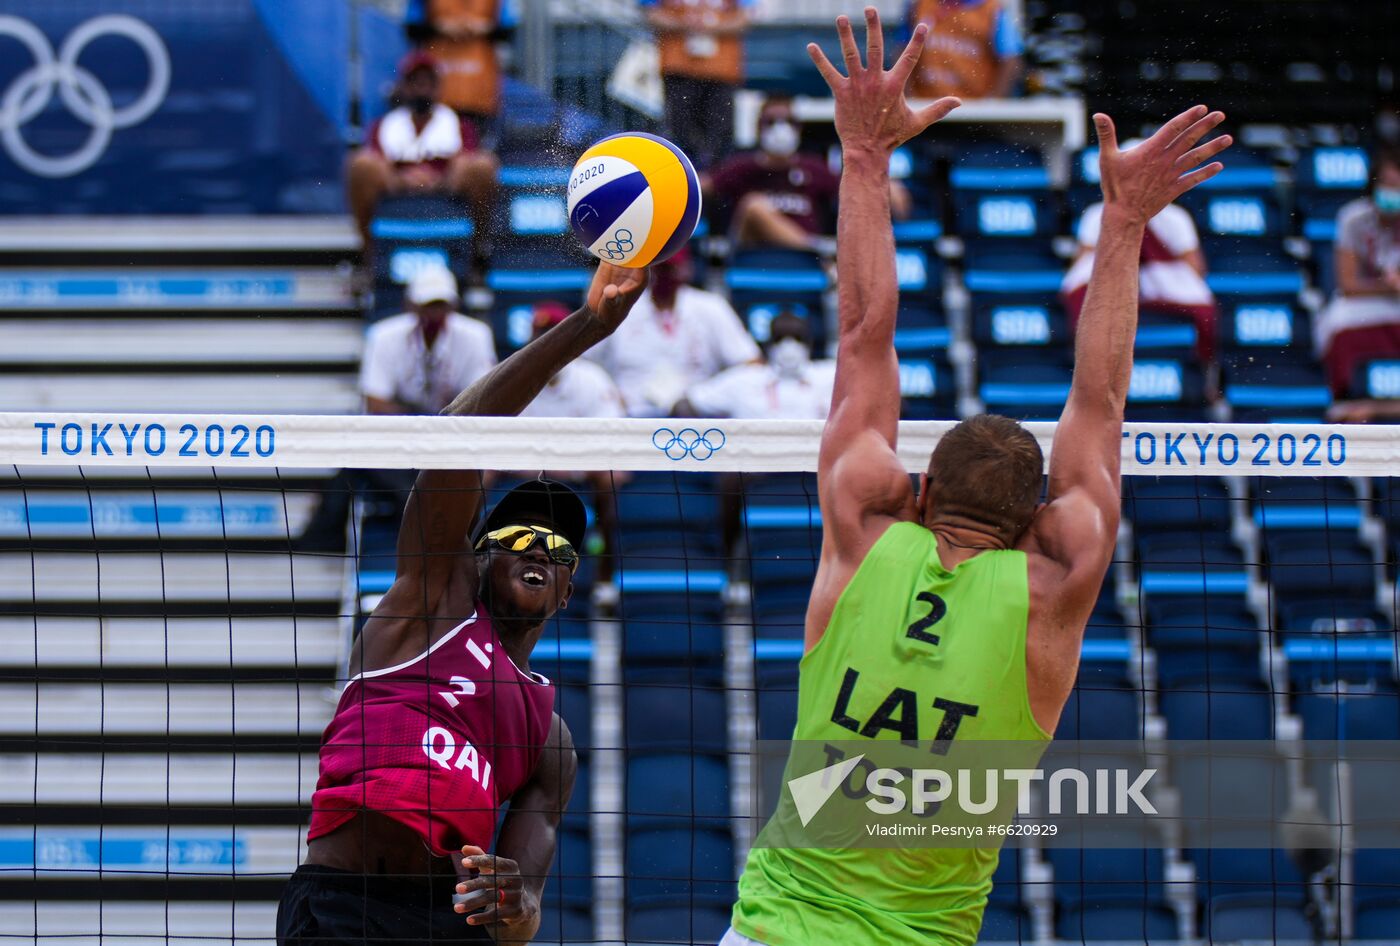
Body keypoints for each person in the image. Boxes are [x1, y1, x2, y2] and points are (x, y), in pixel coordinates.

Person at [725, 10, 1229, 946]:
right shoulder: (1050, 588)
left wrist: (865, 157)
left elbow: (863, 332)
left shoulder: (867, 534)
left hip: (774, 930)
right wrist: (1123, 226)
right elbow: (1101, 404)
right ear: (1036, 518)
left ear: (917, 494)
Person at [276, 263, 650, 945]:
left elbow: (523, 918)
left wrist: (513, 903)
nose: (541, 547)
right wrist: (587, 327)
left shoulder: (551, 742)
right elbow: (459, 432)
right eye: (519, 535)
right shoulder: (432, 605)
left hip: (449, 928)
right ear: (480, 557)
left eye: (561, 547)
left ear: (569, 591)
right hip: (344, 909)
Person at [710, 96, 911, 251]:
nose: (781, 129)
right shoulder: (742, 167)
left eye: (789, 121)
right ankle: (817, 249)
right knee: (754, 205)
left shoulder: (813, 167)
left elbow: (854, 187)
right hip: (755, 255)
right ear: (758, 128)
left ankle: (817, 253)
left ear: (798, 128)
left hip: (806, 266)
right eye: (771, 122)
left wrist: (886, 185)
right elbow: (699, 186)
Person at [346, 51, 499, 253]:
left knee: (482, 165)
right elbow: (375, 164)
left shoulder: (459, 124)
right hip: (397, 187)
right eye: (415, 82)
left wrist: (436, 178)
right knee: (361, 164)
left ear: (438, 87)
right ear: (404, 87)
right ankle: (371, 257)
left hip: (445, 186)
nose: (422, 88)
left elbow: (466, 162)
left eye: (428, 82)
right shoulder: (384, 125)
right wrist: (404, 178)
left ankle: (476, 254)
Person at [520, 301, 628, 584]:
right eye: (541, 332)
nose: (546, 340)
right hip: (526, 466)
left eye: (554, 332)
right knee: (477, 472)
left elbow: (612, 435)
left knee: (610, 479)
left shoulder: (592, 379)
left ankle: (605, 569)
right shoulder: (513, 376)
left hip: (580, 467)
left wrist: (571, 466)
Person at [1061, 175, 1219, 364]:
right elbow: (1082, 267)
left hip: (1164, 292)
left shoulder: (1176, 217)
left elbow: (1195, 269)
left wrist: (1150, 280)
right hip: (1109, 290)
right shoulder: (1097, 214)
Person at [586, 248, 761, 416]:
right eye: (658, 269)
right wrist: (609, 393)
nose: (664, 276)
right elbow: (583, 362)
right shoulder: (619, 306)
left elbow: (751, 365)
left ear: (687, 269)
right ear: (645, 270)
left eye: (671, 269)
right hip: (630, 414)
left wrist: (704, 397)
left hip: (695, 414)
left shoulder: (710, 306)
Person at [1315, 146, 1400, 395]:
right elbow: (1348, 284)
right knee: (1337, 319)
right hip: (1369, 297)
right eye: (1388, 184)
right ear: (1374, 184)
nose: (1394, 192)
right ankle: (1344, 393)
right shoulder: (1353, 218)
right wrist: (1386, 286)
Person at [361, 265, 498, 417]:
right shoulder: (383, 336)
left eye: (440, 305)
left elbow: (482, 400)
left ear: (453, 306)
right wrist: (420, 422)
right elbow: (374, 401)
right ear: (411, 306)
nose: (434, 313)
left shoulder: (476, 336)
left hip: (455, 429)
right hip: (402, 429)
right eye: (428, 305)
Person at [641, 0, 756, 171]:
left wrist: (710, 27)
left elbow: (747, 18)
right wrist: (686, 24)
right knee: (680, 132)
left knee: (719, 136)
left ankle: (715, 183)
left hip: (722, 71)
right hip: (678, 69)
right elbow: (650, 14)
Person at [676, 312, 835, 421]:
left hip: (815, 466)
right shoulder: (744, 379)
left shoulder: (831, 377)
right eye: (780, 339)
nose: (789, 347)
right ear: (769, 345)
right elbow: (688, 403)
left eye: (798, 339)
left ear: (809, 345)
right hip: (755, 467)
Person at [416, 0, 513, 134]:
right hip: (438, 96)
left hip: (479, 97)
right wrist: (439, 26)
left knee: (476, 149)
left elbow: (509, 30)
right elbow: (411, 28)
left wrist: (483, 27)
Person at [904, 0, 1023, 100]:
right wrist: (908, 98)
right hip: (924, 105)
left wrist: (993, 103)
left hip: (973, 111)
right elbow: (902, 52)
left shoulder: (992, 10)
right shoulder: (920, 6)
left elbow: (1010, 59)